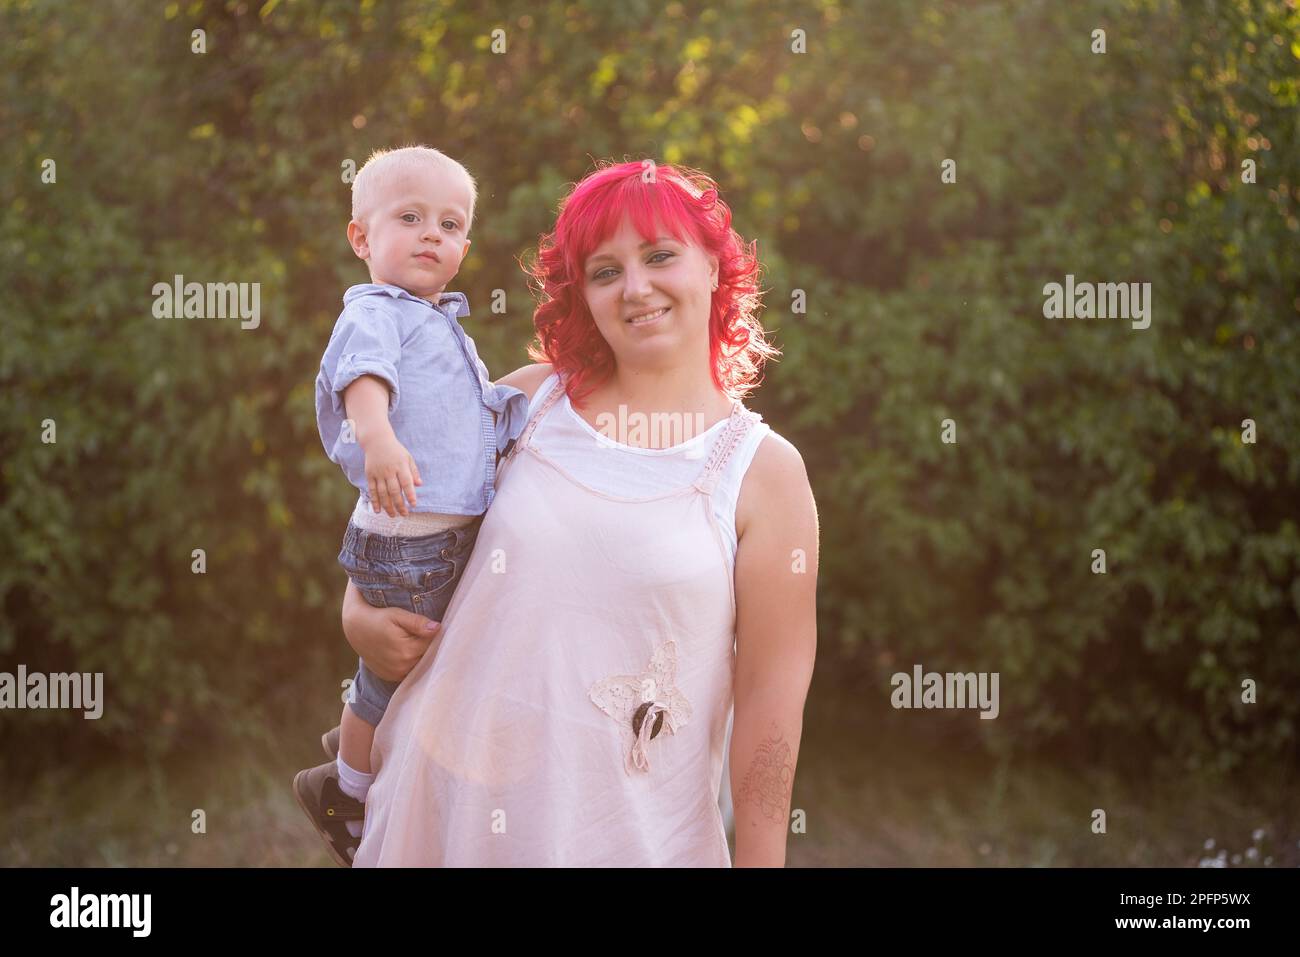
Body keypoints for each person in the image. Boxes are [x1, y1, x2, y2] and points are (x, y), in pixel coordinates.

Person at [339, 160, 818, 866]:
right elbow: (402, 518)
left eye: (660, 256)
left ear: (716, 268)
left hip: (625, 838)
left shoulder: (763, 473)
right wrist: (356, 610)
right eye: (604, 271)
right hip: (439, 816)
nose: (636, 287)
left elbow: (771, 708)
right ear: (584, 295)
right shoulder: (526, 405)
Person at [294, 146, 527, 865]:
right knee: (393, 669)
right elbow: (364, 379)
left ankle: (358, 745)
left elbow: (464, 415)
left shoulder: (438, 321)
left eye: (450, 224)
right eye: (410, 217)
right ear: (362, 238)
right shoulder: (376, 312)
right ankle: (349, 791)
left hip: (432, 537)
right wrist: (380, 438)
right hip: (408, 541)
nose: (432, 233)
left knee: (402, 674)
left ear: (465, 246)